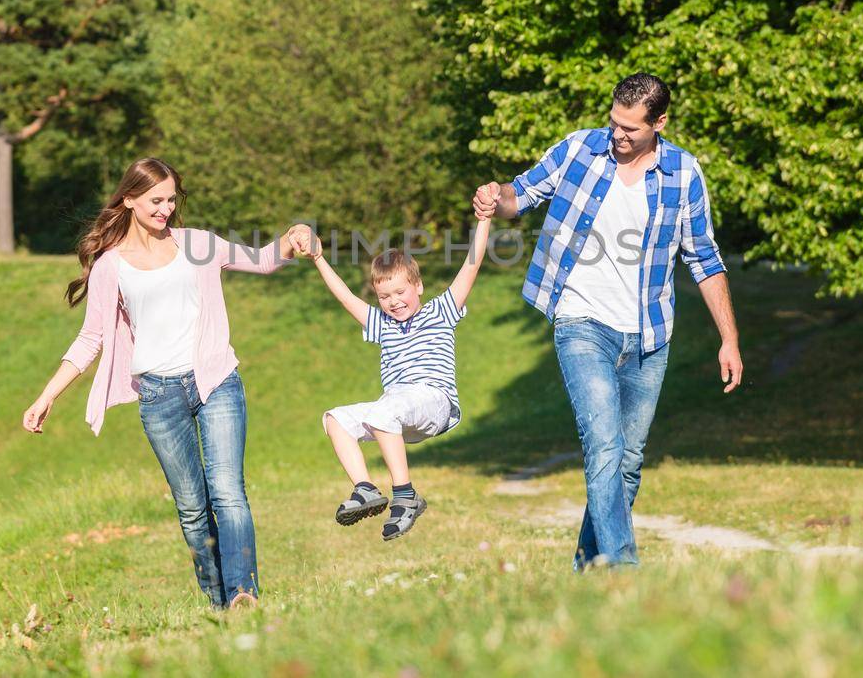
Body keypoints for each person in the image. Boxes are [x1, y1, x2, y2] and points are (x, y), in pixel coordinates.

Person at [473, 72, 742, 570]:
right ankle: (622, 573)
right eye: (614, 123)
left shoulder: (683, 174)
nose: (617, 136)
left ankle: (587, 570)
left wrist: (729, 339)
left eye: (630, 130)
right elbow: (523, 194)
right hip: (581, 321)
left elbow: (704, 258)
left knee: (627, 464)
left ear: (660, 122)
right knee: (603, 445)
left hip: (649, 336)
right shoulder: (580, 149)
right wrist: (496, 195)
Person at [20, 157, 306, 609]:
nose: (166, 209)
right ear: (129, 199)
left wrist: (294, 236)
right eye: (156, 200)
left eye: (172, 199)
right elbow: (90, 338)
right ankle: (218, 602)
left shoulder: (197, 245)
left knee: (229, 492)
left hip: (215, 381)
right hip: (158, 395)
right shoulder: (111, 267)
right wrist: (46, 396)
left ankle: (243, 594)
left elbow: (265, 261)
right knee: (193, 510)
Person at [287, 214, 491, 540]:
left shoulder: (441, 310)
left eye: (400, 292)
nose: (394, 302)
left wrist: (485, 219)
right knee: (334, 419)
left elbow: (472, 264)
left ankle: (405, 495)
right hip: (397, 412)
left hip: (433, 400)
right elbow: (345, 297)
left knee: (386, 407)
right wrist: (318, 258)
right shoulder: (381, 324)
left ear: (418, 286)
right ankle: (365, 488)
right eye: (385, 297)